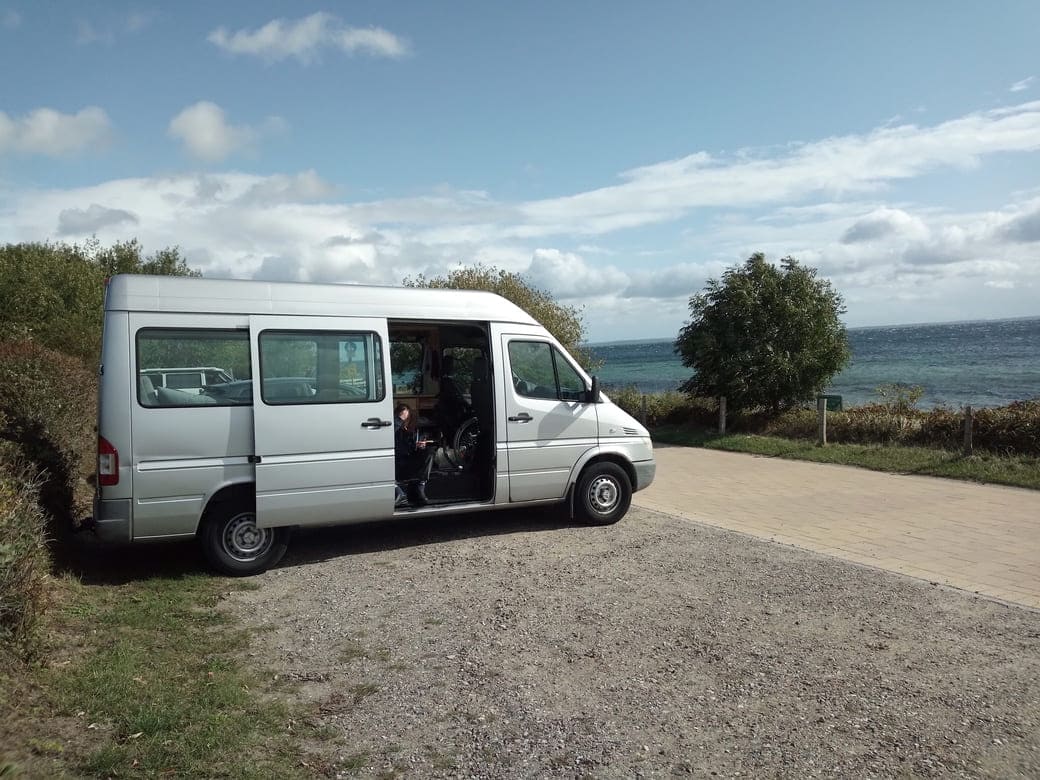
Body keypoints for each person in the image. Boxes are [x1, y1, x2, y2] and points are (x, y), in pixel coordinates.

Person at [394, 403, 433, 506]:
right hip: (397, 464)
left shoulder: (413, 430)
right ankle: (402, 493)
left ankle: (419, 488)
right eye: (402, 418)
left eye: (406, 418)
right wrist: (400, 420)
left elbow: (414, 447)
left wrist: (420, 445)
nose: (405, 421)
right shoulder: (395, 429)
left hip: (408, 462)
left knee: (428, 452)